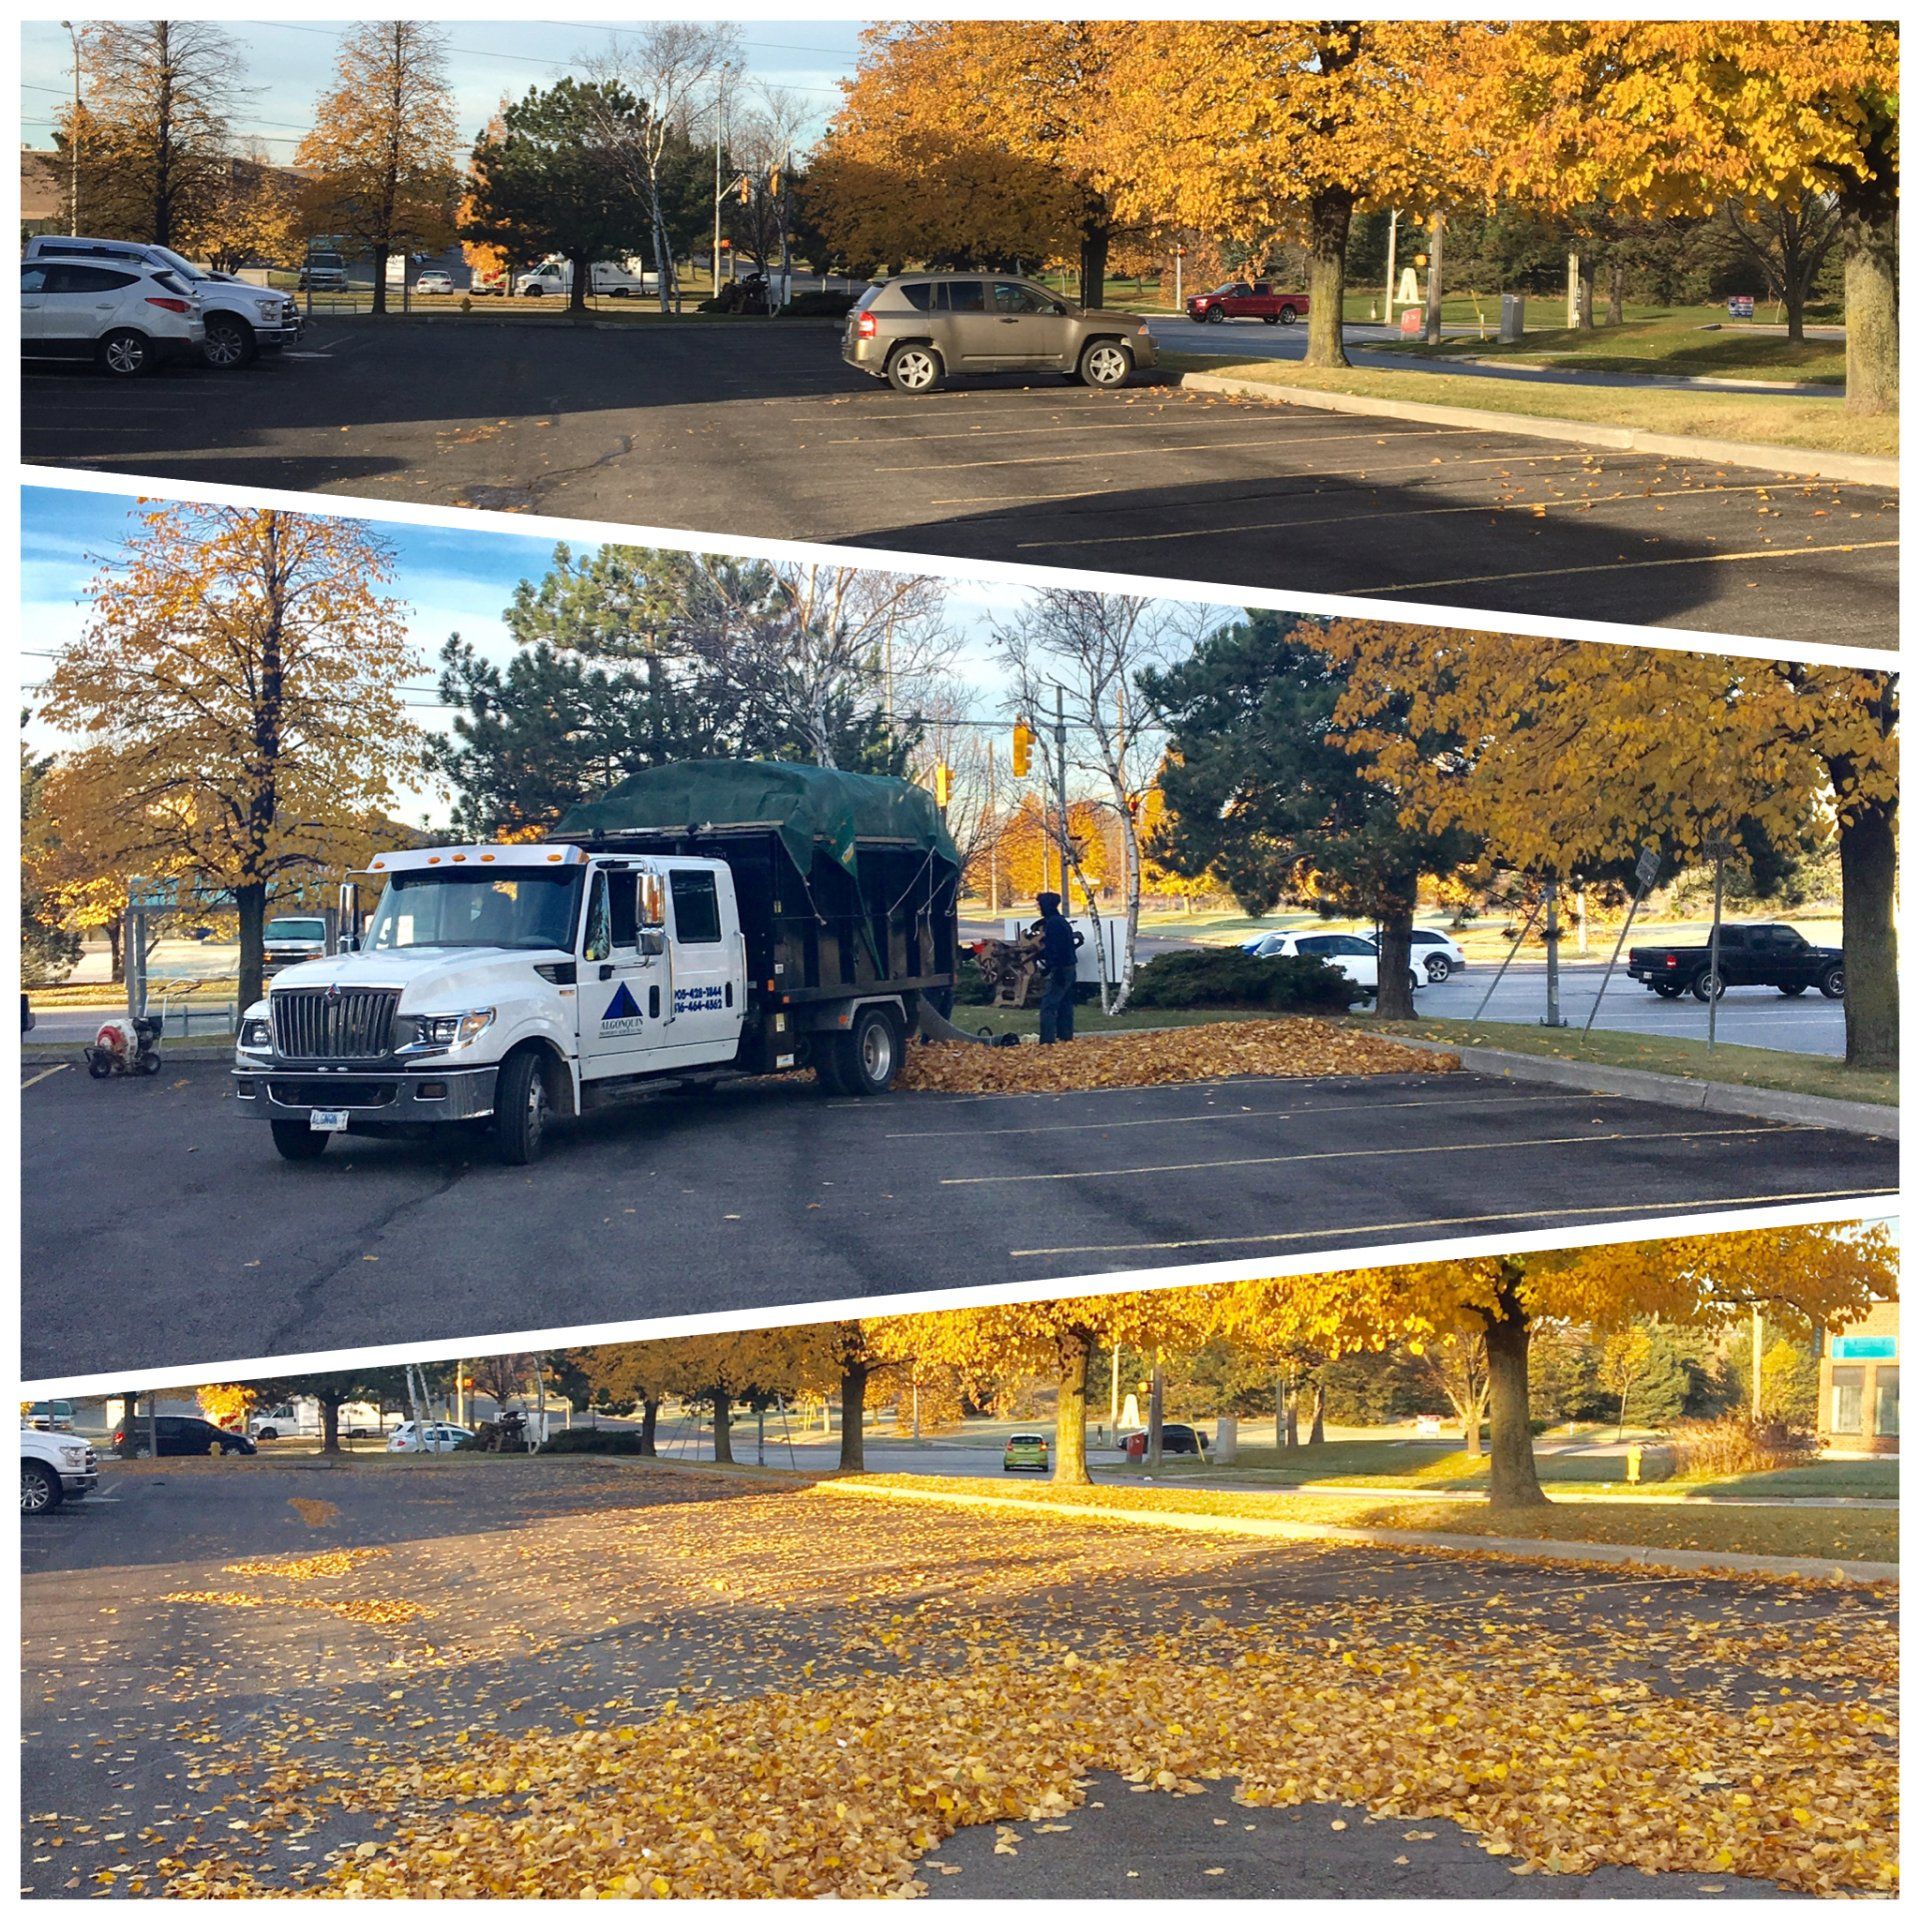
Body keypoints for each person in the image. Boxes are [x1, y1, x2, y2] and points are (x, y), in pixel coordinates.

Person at [1035, 892, 1081, 1044]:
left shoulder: (1053, 924)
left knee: (1048, 1006)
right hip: (1069, 967)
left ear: (1045, 906)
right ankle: (1065, 1036)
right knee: (1065, 1004)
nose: (1038, 907)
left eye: (1039, 904)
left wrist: (1050, 967)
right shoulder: (1060, 921)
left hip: (1060, 968)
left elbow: (1056, 949)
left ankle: (1047, 1041)